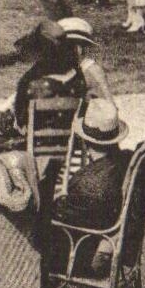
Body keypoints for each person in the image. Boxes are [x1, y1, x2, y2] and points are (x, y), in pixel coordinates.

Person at [53, 99, 133, 231]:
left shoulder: (86, 184)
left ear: (84, 140)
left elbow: (63, 214)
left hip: (84, 236)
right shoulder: (127, 158)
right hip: (112, 222)